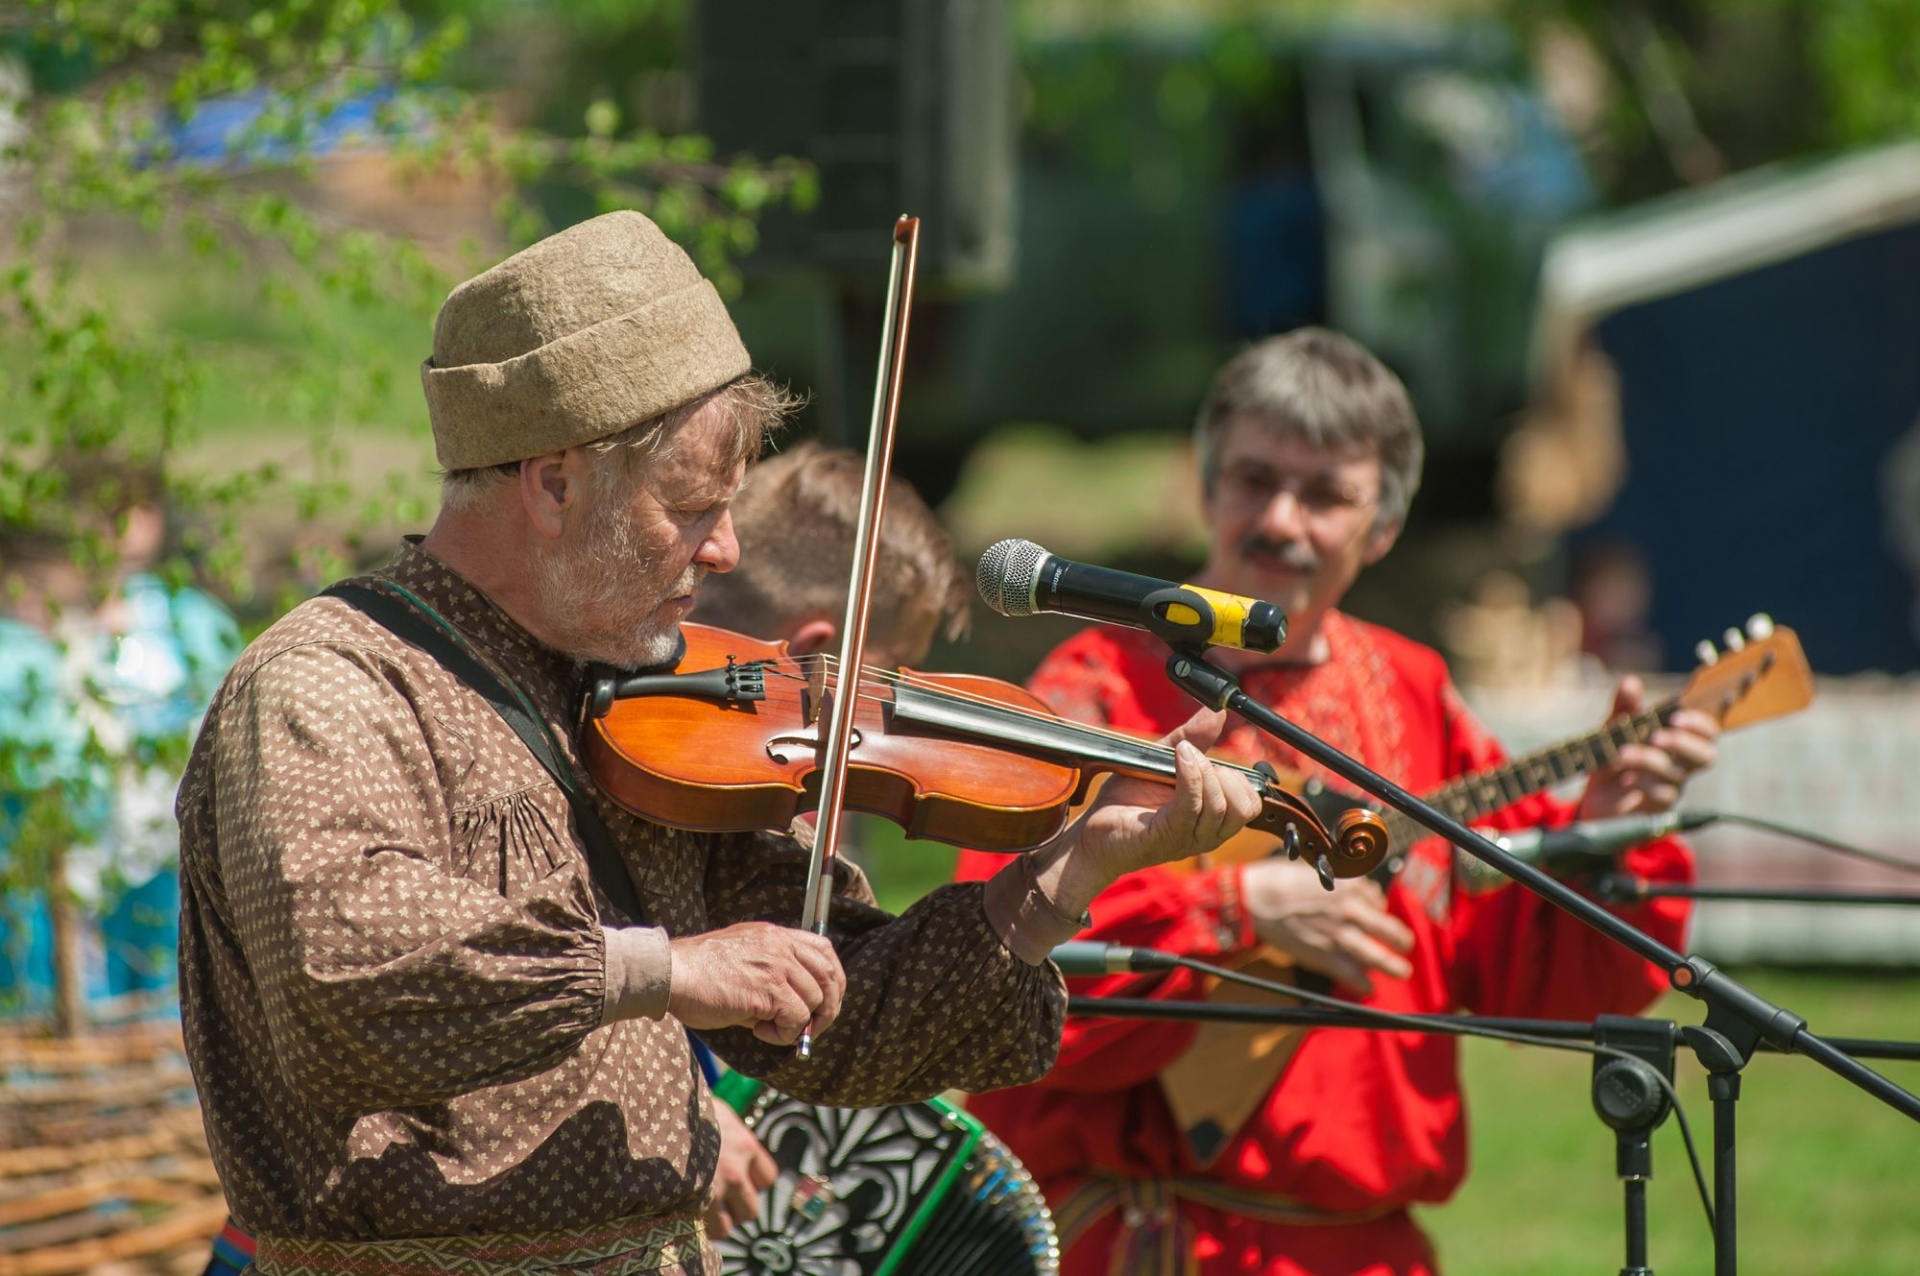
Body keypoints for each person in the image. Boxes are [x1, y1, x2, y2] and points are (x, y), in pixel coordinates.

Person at [175, 209, 1264, 1276]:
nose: (728, 548)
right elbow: (349, 968)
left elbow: (845, 1010)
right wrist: (669, 969)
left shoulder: (649, 707)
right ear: (554, 483)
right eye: (690, 508)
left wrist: (1075, 865)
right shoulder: (332, 684)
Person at [953, 327, 1720, 1276]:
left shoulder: (1412, 689)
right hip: (1151, 1245)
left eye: (1325, 495)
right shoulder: (1091, 693)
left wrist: (1603, 828)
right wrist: (1234, 911)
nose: (1281, 519)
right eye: (1253, 479)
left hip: (1367, 1253)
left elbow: (1540, 982)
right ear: (1205, 488)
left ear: (1382, 528)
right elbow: (995, 981)